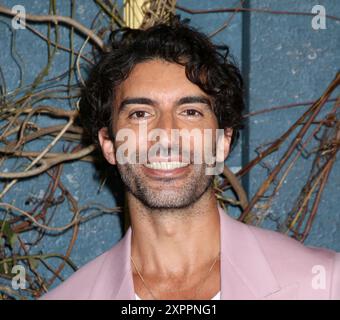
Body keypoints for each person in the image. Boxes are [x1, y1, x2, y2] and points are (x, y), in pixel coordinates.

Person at [40, 19, 340, 300]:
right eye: (141, 114)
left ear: (223, 141)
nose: (167, 135)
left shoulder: (323, 285)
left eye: (190, 112)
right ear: (109, 144)